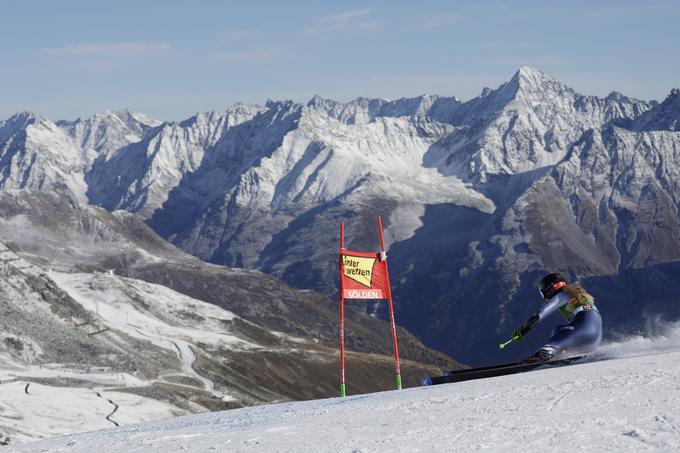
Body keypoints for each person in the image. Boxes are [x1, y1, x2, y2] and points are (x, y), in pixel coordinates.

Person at [511, 272, 602, 361]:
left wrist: (523, 330)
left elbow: (540, 315)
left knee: (559, 333)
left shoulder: (561, 295)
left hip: (584, 326)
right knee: (558, 329)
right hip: (594, 335)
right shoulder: (574, 292)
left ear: (550, 289)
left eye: (543, 294)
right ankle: (563, 353)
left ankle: (547, 352)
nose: (545, 298)